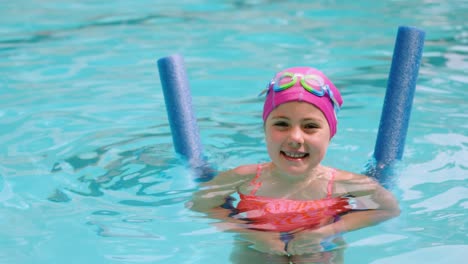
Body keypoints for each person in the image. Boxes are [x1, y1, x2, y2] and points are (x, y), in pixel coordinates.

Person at [188, 66, 400, 263]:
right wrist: (250, 233)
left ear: (330, 135)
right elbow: (199, 204)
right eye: (281, 124)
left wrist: (326, 232)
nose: (295, 137)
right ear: (265, 130)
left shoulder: (344, 184)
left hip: (320, 247)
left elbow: (388, 209)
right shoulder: (246, 178)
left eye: (310, 126)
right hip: (257, 249)